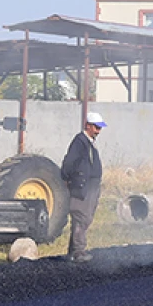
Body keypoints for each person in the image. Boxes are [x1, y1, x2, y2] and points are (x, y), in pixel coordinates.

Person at [60, 111, 107, 262]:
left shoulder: (88, 143)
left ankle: (73, 251)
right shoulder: (80, 142)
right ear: (88, 126)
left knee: (85, 218)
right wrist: (67, 178)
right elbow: (69, 162)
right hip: (82, 186)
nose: (98, 131)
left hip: (90, 186)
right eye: (96, 127)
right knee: (81, 216)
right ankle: (78, 252)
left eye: (100, 128)